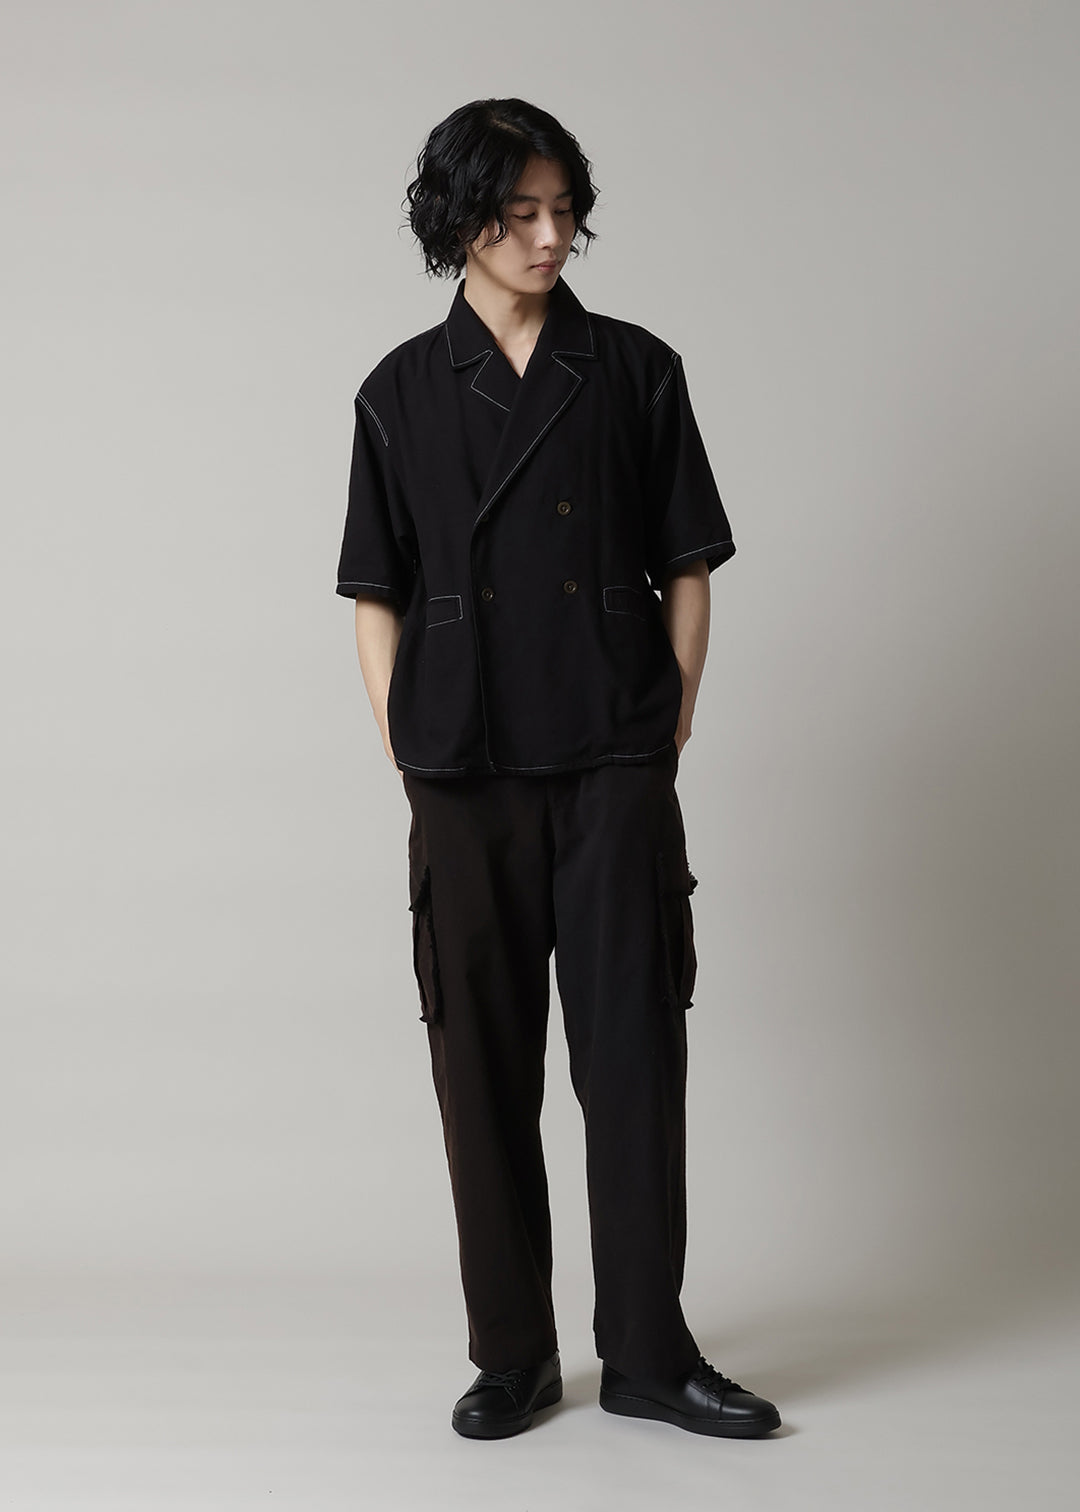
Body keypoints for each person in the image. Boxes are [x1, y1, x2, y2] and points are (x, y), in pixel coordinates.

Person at [335, 97, 781, 1442]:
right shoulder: (399, 393)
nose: (548, 237)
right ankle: (513, 1356)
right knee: (480, 1069)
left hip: (609, 757)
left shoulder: (635, 369)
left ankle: (647, 1353)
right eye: (519, 212)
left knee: (635, 1057)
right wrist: (404, 745)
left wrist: (671, 715)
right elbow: (374, 591)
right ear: (459, 222)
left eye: (563, 210)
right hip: (463, 767)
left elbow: (687, 563)